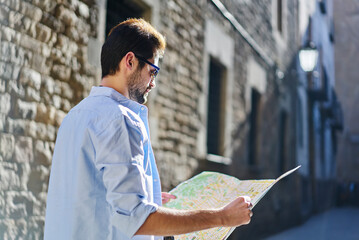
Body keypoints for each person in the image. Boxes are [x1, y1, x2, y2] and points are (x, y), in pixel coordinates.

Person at [44, 18, 253, 240]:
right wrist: (222, 217)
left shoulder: (74, 116)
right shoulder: (119, 119)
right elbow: (137, 219)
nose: (153, 83)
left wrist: (146, 195)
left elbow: (87, 193)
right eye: (153, 71)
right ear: (130, 61)